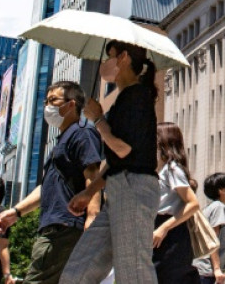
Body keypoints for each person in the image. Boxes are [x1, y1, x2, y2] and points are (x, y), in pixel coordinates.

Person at [60, 40, 160, 284]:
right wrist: (89, 192)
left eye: (110, 56)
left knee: (133, 274)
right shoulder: (126, 97)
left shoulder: (137, 96)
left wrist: (98, 119)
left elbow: (123, 150)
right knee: (77, 273)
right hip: (119, 189)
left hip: (133, 189)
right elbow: (118, 160)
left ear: (123, 58)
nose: (105, 63)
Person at [0, 81, 103, 284]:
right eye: (46, 101)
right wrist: (17, 212)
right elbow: (47, 187)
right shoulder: (62, 141)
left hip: (64, 227)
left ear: (71, 104)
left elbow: (93, 175)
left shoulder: (82, 132)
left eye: (53, 101)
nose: (47, 107)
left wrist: (93, 216)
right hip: (55, 226)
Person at [152, 122, 202, 283]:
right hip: (164, 230)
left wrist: (164, 228)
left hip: (170, 231)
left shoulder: (172, 169)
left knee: (166, 275)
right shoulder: (164, 169)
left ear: (163, 142)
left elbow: (193, 204)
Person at [195, 172, 225, 284]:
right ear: (221, 190)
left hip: (199, 267)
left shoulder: (207, 209)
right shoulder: (218, 207)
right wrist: (217, 269)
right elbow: (213, 238)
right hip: (207, 269)